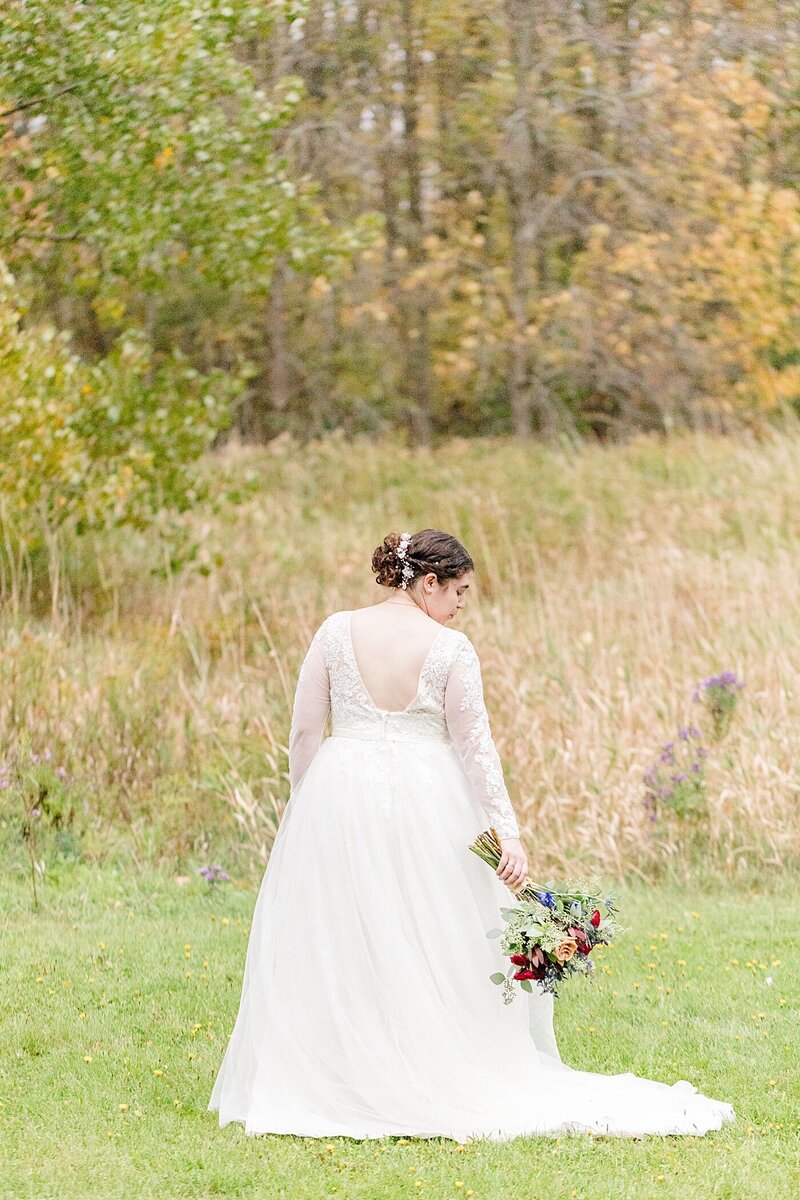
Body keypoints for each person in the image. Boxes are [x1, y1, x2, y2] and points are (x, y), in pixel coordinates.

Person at [208, 528, 735, 1141]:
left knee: (344, 930)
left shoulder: (333, 631)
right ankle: (419, 1064)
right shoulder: (451, 650)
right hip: (427, 800)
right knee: (427, 927)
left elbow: (303, 732)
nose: (461, 604)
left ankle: (348, 1070)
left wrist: (306, 806)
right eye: (457, 590)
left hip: (339, 793)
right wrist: (505, 833)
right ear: (427, 583)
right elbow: (476, 750)